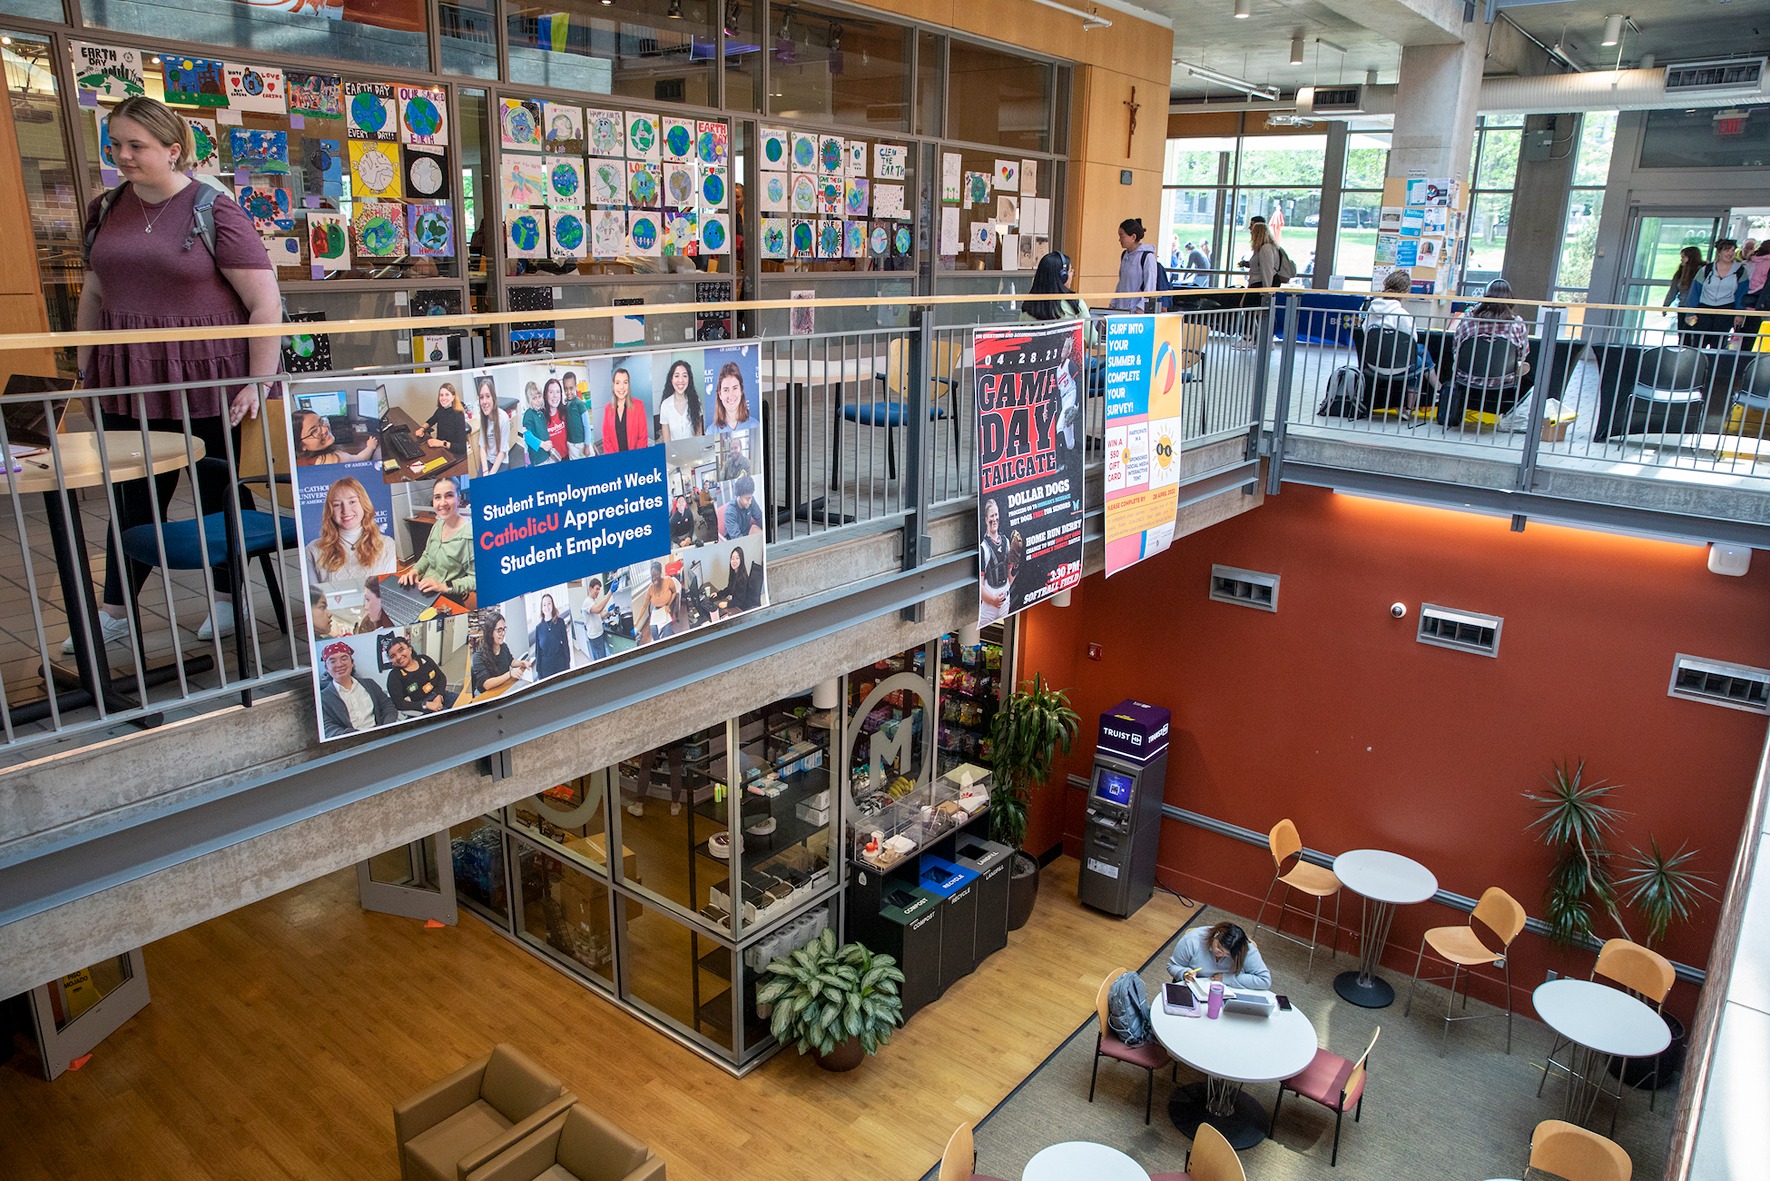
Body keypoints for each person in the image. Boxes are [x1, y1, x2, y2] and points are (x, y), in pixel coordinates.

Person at [72, 95, 282, 650]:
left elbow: (265, 303)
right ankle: (115, 609)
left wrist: (256, 382)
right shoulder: (105, 208)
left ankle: (227, 599)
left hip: (209, 375)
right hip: (130, 374)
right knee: (133, 498)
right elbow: (95, 290)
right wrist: (84, 363)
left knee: (219, 490)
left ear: (173, 150)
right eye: (114, 144)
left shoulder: (212, 209)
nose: (123, 155)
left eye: (135, 146)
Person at [1361, 268, 1436, 413]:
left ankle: (1437, 389)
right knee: (1419, 360)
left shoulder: (1371, 309)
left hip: (1374, 362)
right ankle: (1410, 407)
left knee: (1421, 352)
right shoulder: (1402, 314)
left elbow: (1365, 332)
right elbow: (1412, 341)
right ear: (1405, 291)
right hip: (1397, 365)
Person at [305, 475, 397, 585]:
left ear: (363, 504)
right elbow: (315, 598)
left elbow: (389, 591)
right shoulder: (313, 549)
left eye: (352, 502)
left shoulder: (387, 545)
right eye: (337, 504)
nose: (346, 510)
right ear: (330, 511)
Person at [1450, 278, 1531, 396]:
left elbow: (1456, 347)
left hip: (1467, 378)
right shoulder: (1517, 323)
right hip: (1504, 380)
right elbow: (1523, 353)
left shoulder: (1469, 319)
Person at [399, 476, 475, 597]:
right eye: (437, 497)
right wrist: (415, 570)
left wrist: (444, 586)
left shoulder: (470, 535)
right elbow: (427, 555)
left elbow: (476, 579)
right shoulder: (437, 526)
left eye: (449, 495)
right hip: (424, 588)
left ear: (459, 499)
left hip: (446, 595)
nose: (442, 503)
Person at [1678, 238, 1749, 349]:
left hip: (1726, 310)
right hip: (1704, 309)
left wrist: (1740, 313)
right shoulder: (1706, 270)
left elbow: (1742, 294)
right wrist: (1690, 312)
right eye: (1727, 250)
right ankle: (1697, 364)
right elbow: (1695, 292)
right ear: (1719, 252)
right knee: (1699, 341)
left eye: (1732, 250)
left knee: (1719, 343)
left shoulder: (1740, 271)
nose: (1730, 254)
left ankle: (1715, 365)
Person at [318, 641, 398, 737]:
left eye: (344, 659)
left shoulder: (370, 684)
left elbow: (387, 706)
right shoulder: (323, 698)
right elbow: (327, 727)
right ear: (326, 668)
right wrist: (357, 736)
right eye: (332, 661)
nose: (339, 664)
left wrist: (386, 727)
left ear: (352, 663)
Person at [1167, 921, 1271, 991]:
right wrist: (1184, 973)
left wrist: (1227, 978)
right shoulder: (1193, 940)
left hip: (1228, 990)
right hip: (1194, 988)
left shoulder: (1246, 949)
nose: (1220, 954)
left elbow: (1264, 980)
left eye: (1227, 954)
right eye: (1219, 948)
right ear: (1216, 935)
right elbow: (1173, 966)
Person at [1024, 251, 1098, 348]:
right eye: (1071, 271)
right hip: (1068, 361)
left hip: (1037, 360)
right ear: (1063, 276)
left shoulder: (1028, 304)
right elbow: (1092, 339)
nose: (1072, 275)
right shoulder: (1075, 302)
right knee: (1101, 363)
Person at [1235, 219, 1282, 349]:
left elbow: (1267, 270)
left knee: (1250, 309)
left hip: (1259, 285)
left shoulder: (1265, 248)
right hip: (1258, 285)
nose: (1250, 231)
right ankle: (1261, 338)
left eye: (1252, 229)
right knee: (1256, 311)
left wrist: (1266, 291)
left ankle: (1249, 337)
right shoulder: (1264, 248)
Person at [470, 608, 531, 695]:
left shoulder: (503, 646)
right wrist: (509, 674)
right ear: (490, 632)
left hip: (501, 687)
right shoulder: (478, 656)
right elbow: (486, 684)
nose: (503, 633)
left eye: (504, 629)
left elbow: (511, 661)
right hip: (486, 694)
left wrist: (522, 663)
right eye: (499, 630)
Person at [383, 633, 448, 714]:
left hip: (440, 694)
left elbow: (441, 677)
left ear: (409, 649)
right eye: (393, 656)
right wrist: (426, 705)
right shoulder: (394, 676)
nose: (399, 657)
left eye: (401, 650)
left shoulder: (424, 659)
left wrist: (439, 696)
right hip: (420, 707)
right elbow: (399, 704)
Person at [292, 409, 380, 466]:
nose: (324, 429)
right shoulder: (331, 460)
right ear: (301, 446)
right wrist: (370, 447)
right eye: (314, 431)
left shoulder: (298, 460)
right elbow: (360, 459)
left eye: (321, 421)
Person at [1110, 218, 1159, 312]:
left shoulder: (1147, 257)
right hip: (1121, 310)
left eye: (1122, 236)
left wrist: (1140, 308)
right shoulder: (1124, 255)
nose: (1119, 239)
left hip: (1136, 311)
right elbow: (1121, 283)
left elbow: (1150, 287)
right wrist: (1113, 303)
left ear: (1133, 237)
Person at [978, 497, 1011, 625]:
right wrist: (992, 600)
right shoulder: (984, 548)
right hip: (988, 605)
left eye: (996, 515)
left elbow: (1010, 573)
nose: (994, 519)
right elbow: (979, 586)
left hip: (1005, 600)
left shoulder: (1006, 541)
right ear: (986, 519)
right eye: (991, 516)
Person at [601, 366, 650, 452]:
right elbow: (606, 440)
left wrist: (634, 458)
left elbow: (642, 438)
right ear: (613, 385)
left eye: (625, 382)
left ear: (629, 385)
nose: (621, 387)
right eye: (617, 383)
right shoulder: (608, 408)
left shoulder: (639, 406)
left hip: (635, 458)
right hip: (616, 460)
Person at [414, 382, 467, 457]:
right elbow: (431, 420)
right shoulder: (441, 410)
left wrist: (441, 443)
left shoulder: (458, 415)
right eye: (441, 395)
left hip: (452, 453)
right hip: (440, 448)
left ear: (453, 396)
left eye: (447, 394)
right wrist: (422, 428)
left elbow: (462, 447)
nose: (443, 398)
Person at [472, 376, 512, 476]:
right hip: (488, 460)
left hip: (501, 461)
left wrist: (491, 475)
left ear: (493, 397)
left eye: (487, 396)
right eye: (481, 397)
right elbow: (482, 447)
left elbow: (502, 452)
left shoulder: (503, 418)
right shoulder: (483, 418)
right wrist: (485, 471)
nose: (484, 401)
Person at [657, 358, 704, 441]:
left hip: (693, 451)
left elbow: (699, 436)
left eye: (685, 376)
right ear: (671, 379)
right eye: (677, 376)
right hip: (674, 453)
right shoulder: (665, 405)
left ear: (689, 379)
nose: (681, 380)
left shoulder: (696, 401)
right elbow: (667, 441)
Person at [529, 592, 572, 679]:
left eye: (549, 603)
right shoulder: (539, 628)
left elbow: (565, 645)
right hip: (546, 669)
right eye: (544, 605)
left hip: (560, 664)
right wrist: (539, 673)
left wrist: (567, 664)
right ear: (541, 608)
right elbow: (538, 653)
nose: (547, 607)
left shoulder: (560, 622)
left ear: (553, 605)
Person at [716, 545, 763, 616]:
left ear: (741, 560)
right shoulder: (734, 573)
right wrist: (718, 594)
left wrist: (727, 604)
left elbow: (740, 600)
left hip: (743, 606)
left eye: (737, 558)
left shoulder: (742, 578)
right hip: (737, 603)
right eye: (732, 558)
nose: (734, 561)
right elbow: (729, 589)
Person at [641, 560, 680, 642]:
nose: (654, 578)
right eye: (652, 576)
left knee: (667, 631)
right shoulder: (650, 588)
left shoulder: (668, 580)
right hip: (657, 608)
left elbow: (674, 592)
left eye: (656, 575)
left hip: (667, 605)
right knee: (653, 630)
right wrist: (636, 623)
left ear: (660, 573)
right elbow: (644, 606)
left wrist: (669, 605)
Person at [578, 576, 613, 662]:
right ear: (590, 588)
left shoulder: (592, 601)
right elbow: (597, 609)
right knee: (601, 661)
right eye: (596, 589)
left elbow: (599, 615)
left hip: (599, 635)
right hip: (595, 637)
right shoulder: (587, 602)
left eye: (599, 589)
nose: (598, 592)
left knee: (602, 658)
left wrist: (608, 611)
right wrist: (610, 592)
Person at [1663, 246, 1705, 316]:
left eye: (1683, 257)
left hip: (1698, 307)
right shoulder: (1680, 272)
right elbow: (1673, 291)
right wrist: (1665, 306)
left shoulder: (1703, 271)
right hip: (1683, 307)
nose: (1681, 260)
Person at [721, 473, 765, 538]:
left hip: (747, 534)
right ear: (739, 496)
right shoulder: (730, 512)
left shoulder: (751, 501)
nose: (749, 502)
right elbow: (736, 537)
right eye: (747, 499)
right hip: (734, 540)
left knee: (758, 530)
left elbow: (760, 518)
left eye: (750, 497)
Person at [711, 361, 751, 430]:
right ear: (720, 394)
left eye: (735, 388)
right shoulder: (711, 431)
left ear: (741, 390)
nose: (730, 395)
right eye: (726, 390)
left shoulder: (755, 425)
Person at [561, 370, 593, 458]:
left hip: (582, 442)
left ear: (575, 387)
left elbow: (587, 426)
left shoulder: (580, 404)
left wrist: (587, 445)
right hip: (571, 443)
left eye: (571, 388)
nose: (568, 392)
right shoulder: (565, 404)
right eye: (565, 389)